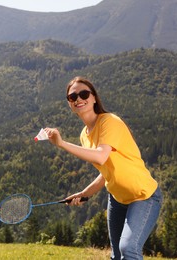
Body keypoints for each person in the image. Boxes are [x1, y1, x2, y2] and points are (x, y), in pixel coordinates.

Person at [45, 76, 162, 260]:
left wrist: (61, 144)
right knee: (116, 255)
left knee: (128, 249)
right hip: (117, 198)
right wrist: (84, 193)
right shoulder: (84, 135)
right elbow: (106, 171)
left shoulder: (109, 121)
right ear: (69, 103)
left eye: (84, 94)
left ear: (93, 98)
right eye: (72, 97)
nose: (78, 99)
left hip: (143, 196)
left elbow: (100, 157)